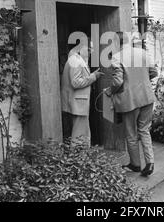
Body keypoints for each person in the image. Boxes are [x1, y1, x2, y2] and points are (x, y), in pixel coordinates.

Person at [106, 32, 158, 177]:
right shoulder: (143, 52)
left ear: (116, 43)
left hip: (130, 100)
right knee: (144, 130)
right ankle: (150, 162)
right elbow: (153, 72)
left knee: (131, 134)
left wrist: (110, 91)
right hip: (147, 97)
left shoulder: (117, 57)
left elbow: (117, 81)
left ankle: (135, 164)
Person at [61, 41, 103, 147]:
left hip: (78, 102)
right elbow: (75, 82)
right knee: (79, 135)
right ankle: (78, 159)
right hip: (78, 103)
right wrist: (94, 77)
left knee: (82, 133)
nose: (91, 51)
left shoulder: (76, 59)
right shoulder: (75, 60)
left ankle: (81, 158)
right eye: (89, 49)